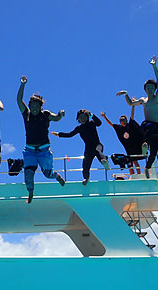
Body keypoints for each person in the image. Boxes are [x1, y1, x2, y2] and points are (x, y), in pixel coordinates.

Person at [17, 75, 66, 203]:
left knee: (48, 174)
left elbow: (56, 118)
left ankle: (56, 176)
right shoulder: (26, 114)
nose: (33, 109)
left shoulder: (45, 114)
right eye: (32, 106)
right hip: (29, 151)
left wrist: (60, 114)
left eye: (36, 106)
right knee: (28, 175)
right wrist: (23, 84)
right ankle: (31, 193)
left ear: (40, 107)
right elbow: (18, 100)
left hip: (44, 150)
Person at [117, 55, 158, 178]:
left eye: (151, 87)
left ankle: (147, 167)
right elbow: (131, 103)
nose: (149, 89)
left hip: (156, 126)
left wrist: (154, 67)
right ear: (145, 90)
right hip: (146, 125)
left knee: (153, 153)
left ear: (155, 89)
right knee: (141, 135)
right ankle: (144, 145)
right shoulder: (143, 100)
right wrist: (126, 94)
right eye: (147, 87)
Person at [52, 110, 109, 185]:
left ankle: (105, 162)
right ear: (78, 119)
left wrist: (91, 115)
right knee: (85, 165)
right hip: (88, 148)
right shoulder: (79, 128)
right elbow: (70, 134)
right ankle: (86, 178)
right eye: (80, 117)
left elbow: (99, 123)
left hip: (97, 145)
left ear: (87, 117)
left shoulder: (91, 123)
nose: (83, 119)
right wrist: (59, 134)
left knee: (98, 151)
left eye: (84, 117)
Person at [100, 103, 144, 175]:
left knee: (135, 160)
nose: (122, 121)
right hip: (128, 148)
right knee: (129, 162)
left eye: (123, 120)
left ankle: (139, 174)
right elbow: (111, 124)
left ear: (126, 120)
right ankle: (132, 175)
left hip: (135, 146)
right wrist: (104, 117)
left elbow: (132, 117)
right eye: (121, 120)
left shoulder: (129, 126)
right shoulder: (119, 128)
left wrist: (133, 106)